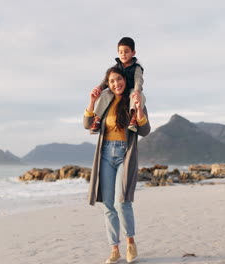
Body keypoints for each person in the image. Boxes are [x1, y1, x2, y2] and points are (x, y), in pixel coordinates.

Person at [83, 66, 151, 263]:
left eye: (119, 79)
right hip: (105, 153)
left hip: (124, 153)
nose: (116, 84)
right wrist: (92, 100)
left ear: (124, 80)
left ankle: (130, 242)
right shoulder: (104, 101)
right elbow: (88, 125)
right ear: (108, 84)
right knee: (108, 205)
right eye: (112, 81)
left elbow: (144, 130)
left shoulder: (134, 98)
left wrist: (138, 110)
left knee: (122, 202)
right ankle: (114, 249)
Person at [89, 37, 146, 134]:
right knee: (104, 94)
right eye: (121, 52)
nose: (123, 54)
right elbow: (106, 80)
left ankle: (133, 119)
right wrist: (99, 87)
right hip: (117, 91)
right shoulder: (116, 67)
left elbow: (138, 80)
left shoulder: (136, 67)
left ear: (133, 53)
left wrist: (137, 91)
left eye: (126, 51)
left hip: (131, 89)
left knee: (138, 97)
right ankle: (97, 119)